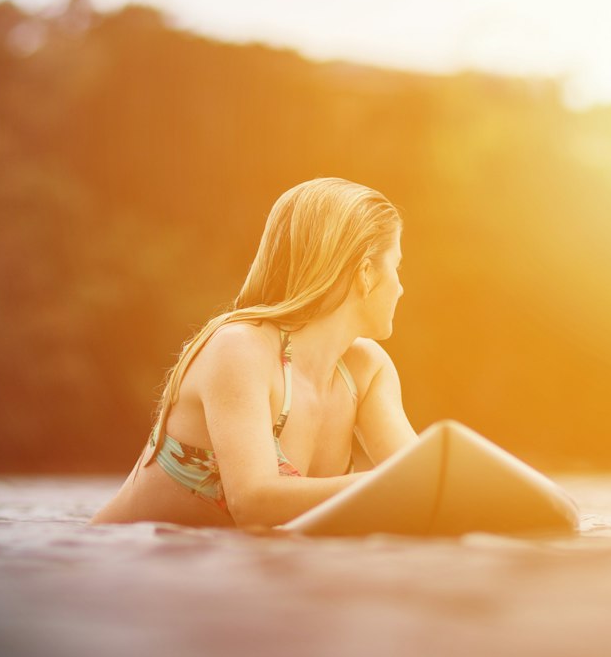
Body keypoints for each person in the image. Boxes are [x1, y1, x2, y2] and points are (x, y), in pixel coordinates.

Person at [91, 178, 415, 527]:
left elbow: (421, 481)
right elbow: (253, 502)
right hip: (111, 571)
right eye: (396, 266)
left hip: (222, 578)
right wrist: (387, 484)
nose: (400, 287)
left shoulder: (366, 371)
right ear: (366, 273)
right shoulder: (240, 350)